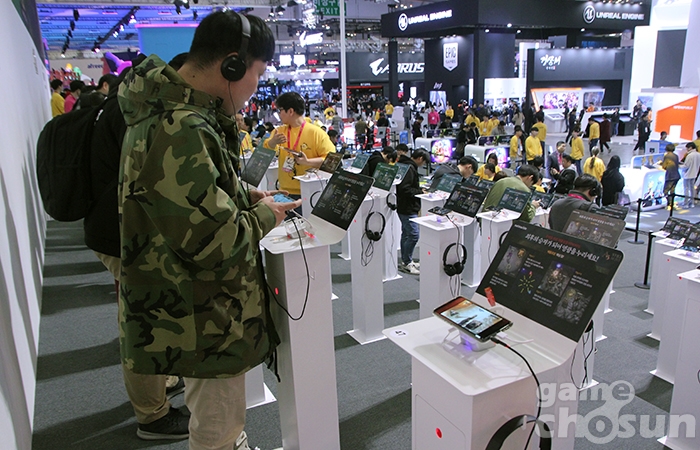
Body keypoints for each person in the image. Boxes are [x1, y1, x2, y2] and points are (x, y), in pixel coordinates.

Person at [117, 12, 301, 450]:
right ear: (232, 65)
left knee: (216, 421)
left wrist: (240, 194)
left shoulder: (168, 113)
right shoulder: (181, 127)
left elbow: (182, 202)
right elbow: (217, 241)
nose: (256, 87)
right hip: (203, 316)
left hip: (191, 305)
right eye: (258, 74)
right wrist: (266, 216)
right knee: (218, 428)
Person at [83, 55, 189, 442]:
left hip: (114, 228)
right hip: (123, 233)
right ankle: (152, 416)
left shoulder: (124, 104)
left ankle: (165, 382)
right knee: (146, 325)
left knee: (148, 316)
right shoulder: (140, 112)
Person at [266, 92, 335, 197]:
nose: (278, 114)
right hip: (284, 191)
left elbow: (332, 160)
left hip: (311, 193)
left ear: (290, 111)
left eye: (280, 110)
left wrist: (307, 162)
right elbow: (264, 153)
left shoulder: (316, 133)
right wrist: (273, 142)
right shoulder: (278, 132)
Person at [397, 148, 430, 275]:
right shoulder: (410, 168)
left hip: (403, 205)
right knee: (413, 234)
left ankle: (406, 260)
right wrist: (420, 192)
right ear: (420, 158)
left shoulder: (403, 164)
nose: (423, 164)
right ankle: (407, 262)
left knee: (406, 233)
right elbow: (405, 189)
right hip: (408, 206)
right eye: (424, 162)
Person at [660, 143, 680, 209]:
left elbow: (664, 166)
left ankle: (670, 204)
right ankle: (671, 204)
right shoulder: (676, 156)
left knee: (665, 191)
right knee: (672, 191)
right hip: (676, 175)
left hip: (670, 176)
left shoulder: (667, 156)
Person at [683, 142, 700, 208]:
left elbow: (686, 165)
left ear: (690, 147)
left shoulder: (690, 155)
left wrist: (680, 167)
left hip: (687, 174)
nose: (686, 149)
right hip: (695, 174)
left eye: (687, 148)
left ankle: (686, 203)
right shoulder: (698, 154)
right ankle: (692, 203)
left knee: (686, 189)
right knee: (692, 189)